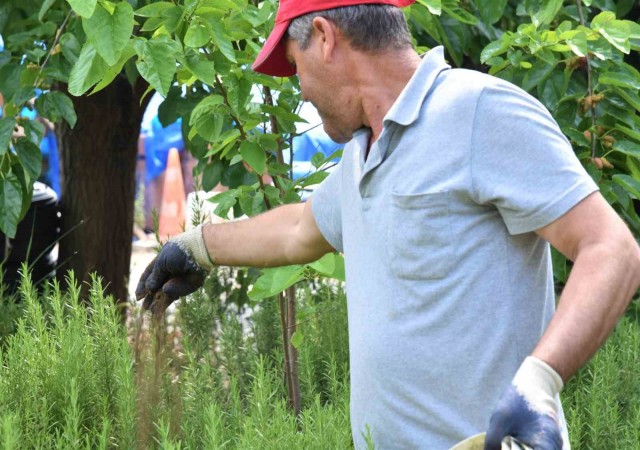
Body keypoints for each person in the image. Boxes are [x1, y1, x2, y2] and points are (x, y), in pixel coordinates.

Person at [136, 1, 640, 448]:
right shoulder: (363, 152)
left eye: (295, 66)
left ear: (325, 37)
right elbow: (297, 231)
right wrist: (197, 245)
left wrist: (540, 382)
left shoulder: (479, 111)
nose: (300, 89)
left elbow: (611, 249)